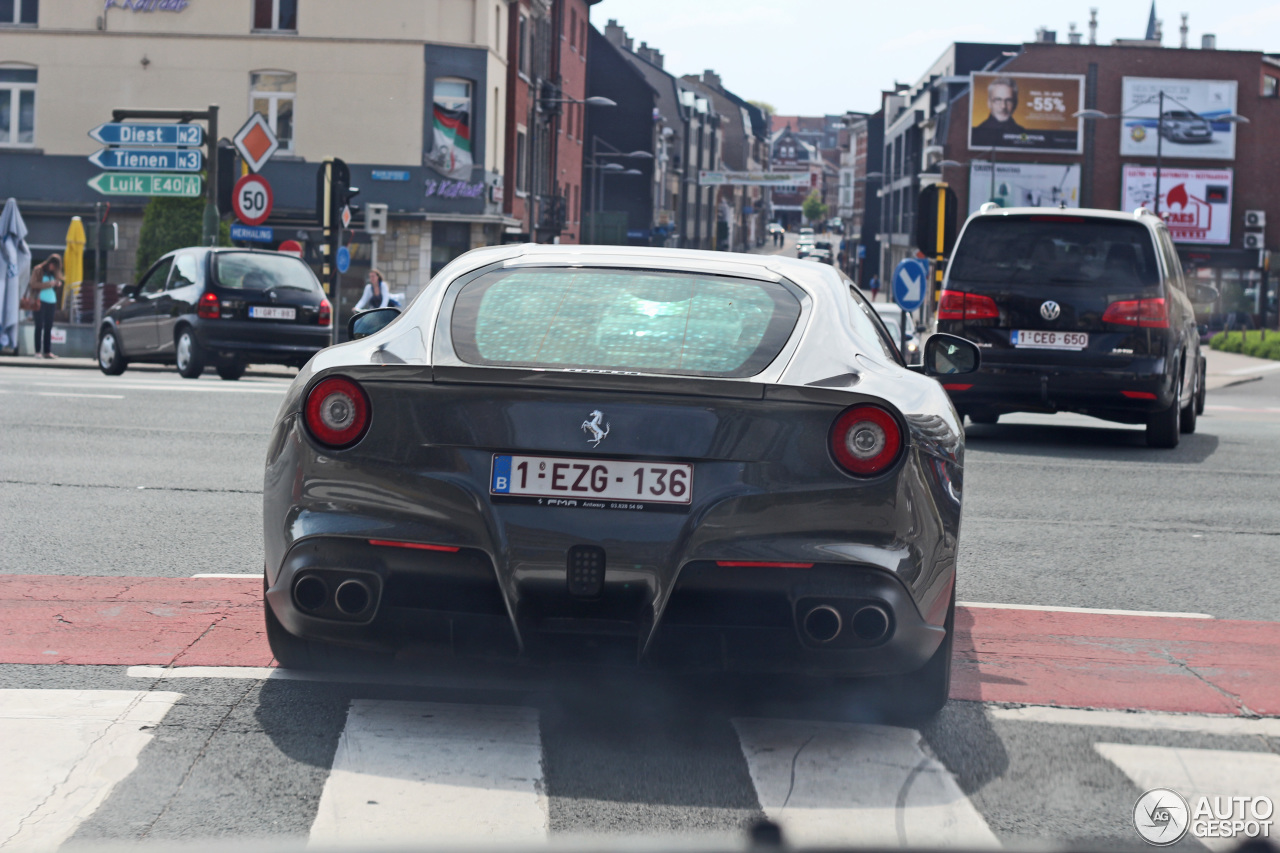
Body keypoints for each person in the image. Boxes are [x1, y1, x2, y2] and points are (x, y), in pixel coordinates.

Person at [971, 76, 1025, 147]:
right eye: (998, 100)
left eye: (1008, 101)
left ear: (1015, 104)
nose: (1003, 106)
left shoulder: (1023, 133)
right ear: (989, 103)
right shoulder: (975, 135)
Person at [28, 254, 62, 359]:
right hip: (39, 301)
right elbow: (33, 284)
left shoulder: (54, 273)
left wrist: (57, 284)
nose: (54, 268)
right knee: (39, 326)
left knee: (48, 327)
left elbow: (55, 285)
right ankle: (37, 351)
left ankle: (47, 351)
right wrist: (49, 284)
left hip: (51, 301)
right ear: (50, 263)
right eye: (53, 266)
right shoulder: (38, 270)